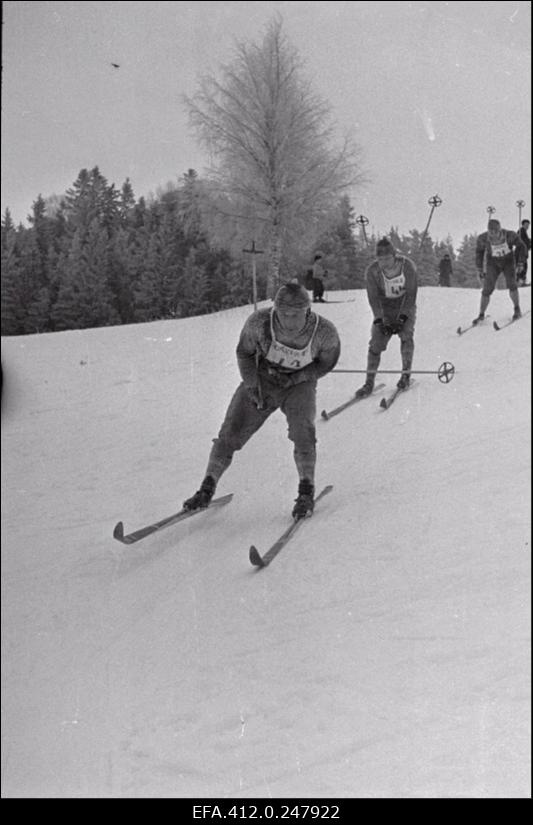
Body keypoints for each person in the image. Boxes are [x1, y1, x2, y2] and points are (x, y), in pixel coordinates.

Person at [183, 281, 341, 519]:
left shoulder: (324, 332)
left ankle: (306, 489)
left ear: (307, 312)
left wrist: (301, 376)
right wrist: (251, 384)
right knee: (231, 431)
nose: (288, 321)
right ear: (274, 310)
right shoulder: (259, 323)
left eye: (295, 315)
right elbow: (244, 353)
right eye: (283, 314)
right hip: (263, 379)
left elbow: (326, 363)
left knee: (303, 431)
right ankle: (207, 487)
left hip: (298, 385)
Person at [354, 237, 418, 398]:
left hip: (404, 305)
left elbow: (411, 294)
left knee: (406, 336)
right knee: (376, 343)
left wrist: (403, 317)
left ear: (394, 256)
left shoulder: (407, 266)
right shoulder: (372, 271)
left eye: (387, 258)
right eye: (380, 259)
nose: (384, 263)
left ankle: (405, 375)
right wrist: (379, 319)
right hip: (384, 308)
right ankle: (369, 382)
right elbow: (373, 298)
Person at [473, 218, 526, 324]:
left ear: (500, 230)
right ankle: (481, 314)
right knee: (487, 288)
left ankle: (517, 309)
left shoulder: (510, 235)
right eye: (490, 232)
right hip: (493, 263)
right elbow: (479, 252)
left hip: (508, 261)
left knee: (512, 284)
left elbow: (522, 246)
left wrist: (521, 262)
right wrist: (479, 268)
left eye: (495, 232)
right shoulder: (483, 238)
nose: (493, 235)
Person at [516, 219, 531, 286]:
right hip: (520, 253)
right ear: (523, 224)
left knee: (524, 266)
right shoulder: (521, 231)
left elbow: (526, 243)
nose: (527, 226)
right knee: (521, 266)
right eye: (526, 225)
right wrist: (529, 242)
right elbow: (523, 242)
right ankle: (520, 281)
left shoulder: (523, 231)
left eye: (528, 225)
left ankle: (521, 281)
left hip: (523, 253)